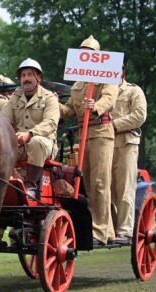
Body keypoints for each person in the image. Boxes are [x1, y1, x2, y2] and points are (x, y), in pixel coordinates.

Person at [59, 35, 119, 246]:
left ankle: (99, 231)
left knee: (101, 183)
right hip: (83, 135)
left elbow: (110, 98)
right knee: (86, 183)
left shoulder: (107, 78)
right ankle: (107, 229)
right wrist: (51, 103)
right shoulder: (77, 84)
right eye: (84, 52)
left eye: (91, 53)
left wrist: (96, 105)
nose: (87, 56)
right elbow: (69, 110)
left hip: (101, 131)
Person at [2, 58, 60, 198]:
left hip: (45, 144)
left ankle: (30, 186)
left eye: (29, 74)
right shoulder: (15, 98)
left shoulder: (49, 97)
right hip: (19, 144)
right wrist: (8, 137)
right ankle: (9, 182)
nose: (26, 79)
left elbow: (51, 122)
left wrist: (30, 134)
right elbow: (3, 120)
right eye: (23, 75)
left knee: (35, 142)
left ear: (39, 77)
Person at [111, 65, 147, 244]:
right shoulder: (100, 93)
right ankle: (109, 228)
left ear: (122, 72)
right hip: (103, 145)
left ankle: (124, 230)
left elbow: (139, 116)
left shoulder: (133, 91)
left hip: (126, 143)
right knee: (103, 189)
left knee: (124, 187)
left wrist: (114, 124)